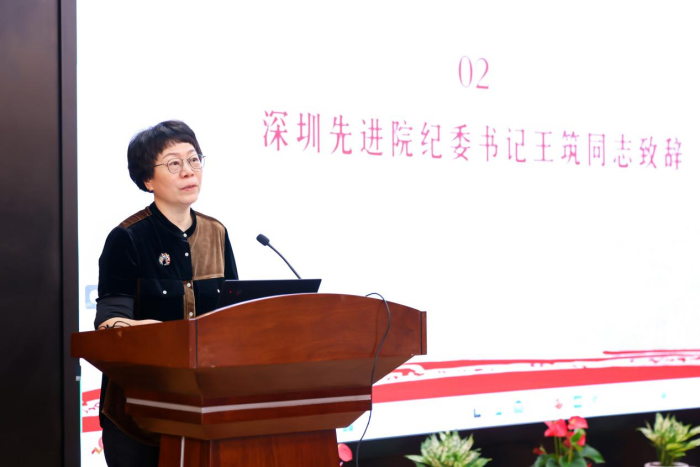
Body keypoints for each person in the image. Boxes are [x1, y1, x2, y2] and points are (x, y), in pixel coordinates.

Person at [94, 120, 238, 466]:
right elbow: (109, 322)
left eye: (194, 159)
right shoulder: (127, 238)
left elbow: (234, 315)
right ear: (148, 179)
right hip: (138, 412)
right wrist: (164, 336)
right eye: (174, 163)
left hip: (205, 409)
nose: (189, 171)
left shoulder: (217, 233)